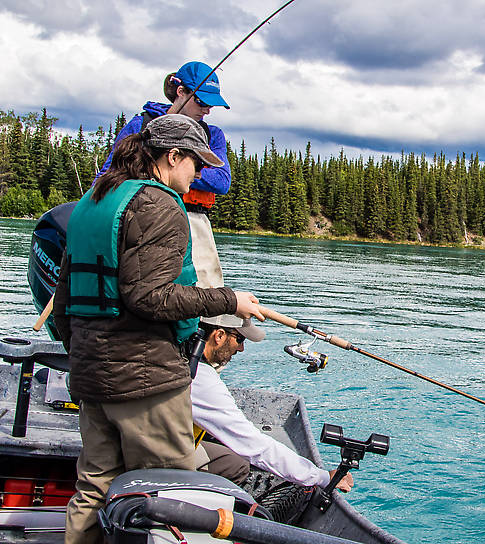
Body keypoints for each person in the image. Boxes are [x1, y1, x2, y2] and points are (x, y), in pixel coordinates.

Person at [52, 114, 268, 544]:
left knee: (94, 487)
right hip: (145, 380)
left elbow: (62, 300)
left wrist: (84, 353)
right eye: (195, 163)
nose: (199, 174)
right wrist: (230, 300)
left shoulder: (94, 201)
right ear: (172, 157)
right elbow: (149, 297)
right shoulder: (160, 204)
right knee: (174, 490)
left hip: (91, 374)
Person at [97, 61, 231, 288]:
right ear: (181, 92)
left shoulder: (213, 135)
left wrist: (181, 171)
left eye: (212, 104)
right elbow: (107, 175)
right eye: (202, 101)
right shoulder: (141, 125)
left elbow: (222, 182)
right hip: (140, 216)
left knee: (204, 295)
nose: (207, 109)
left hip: (192, 221)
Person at [190, 315, 354, 493]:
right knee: (237, 462)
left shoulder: (180, 356)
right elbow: (254, 446)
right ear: (219, 335)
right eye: (240, 339)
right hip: (162, 459)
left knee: (234, 464)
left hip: (166, 443)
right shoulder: (201, 378)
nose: (242, 348)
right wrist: (321, 477)